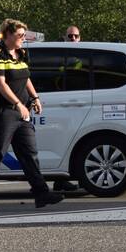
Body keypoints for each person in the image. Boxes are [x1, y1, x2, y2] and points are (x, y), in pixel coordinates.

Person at [0, 19, 64, 212]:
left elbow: (25, 77)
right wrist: (17, 104)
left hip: (21, 112)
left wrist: (35, 98)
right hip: (1, 113)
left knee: (29, 153)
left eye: (24, 35)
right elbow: (0, 84)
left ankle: (41, 194)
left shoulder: (21, 54)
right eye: (20, 35)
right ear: (7, 35)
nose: (23, 39)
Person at [52, 24, 83, 193]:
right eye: (70, 36)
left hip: (77, 103)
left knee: (69, 142)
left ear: (80, 38)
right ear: (64, 37)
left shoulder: (82, 57)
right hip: (60, 103)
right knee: (60, 142)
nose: (72, 39)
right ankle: (59, 181)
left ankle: (62, 180)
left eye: (75, 36)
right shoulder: (59, 57)